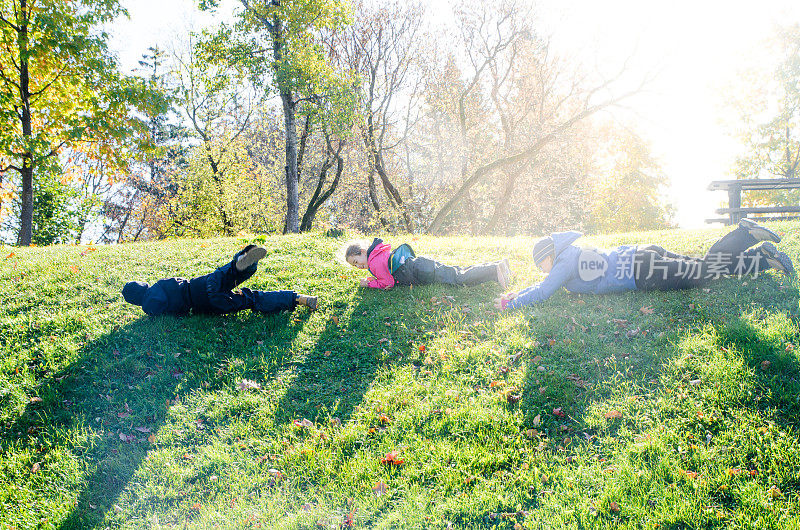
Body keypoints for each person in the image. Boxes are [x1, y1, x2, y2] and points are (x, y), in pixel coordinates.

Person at [495, 219, 794, 310]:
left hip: (643, 272)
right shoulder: (570, 255)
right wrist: (515, 294)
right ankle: (763, 257)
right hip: (642, 254)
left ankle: (744, 234)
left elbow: (546, 291)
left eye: (540, 264)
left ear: (549, 256)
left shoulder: (562, 263)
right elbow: (544, 284)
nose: (542, 270)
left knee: (704, 271)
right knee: (708, 267)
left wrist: (511, 305)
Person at [122, 245, 317, 316]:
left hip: (207, 305)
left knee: (252, 299)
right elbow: (180, 280)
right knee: (228, 274)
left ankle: (297, 299)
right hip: (201, 285)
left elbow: (169, 312)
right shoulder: (160, 284)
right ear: (144, 285)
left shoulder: (149, 308)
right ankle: (242, 261)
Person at [344, 238, 511, 290]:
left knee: (458, 278)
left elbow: (388, 283)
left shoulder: (373, 263)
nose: (358, 266)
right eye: (355, 266)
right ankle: (498, 266)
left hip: (421, 271)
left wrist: (370, 284)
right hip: (421, 264)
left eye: (356, 261)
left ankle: (494, 270)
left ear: (363, 252)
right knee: (458, 271)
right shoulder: (379, 252)